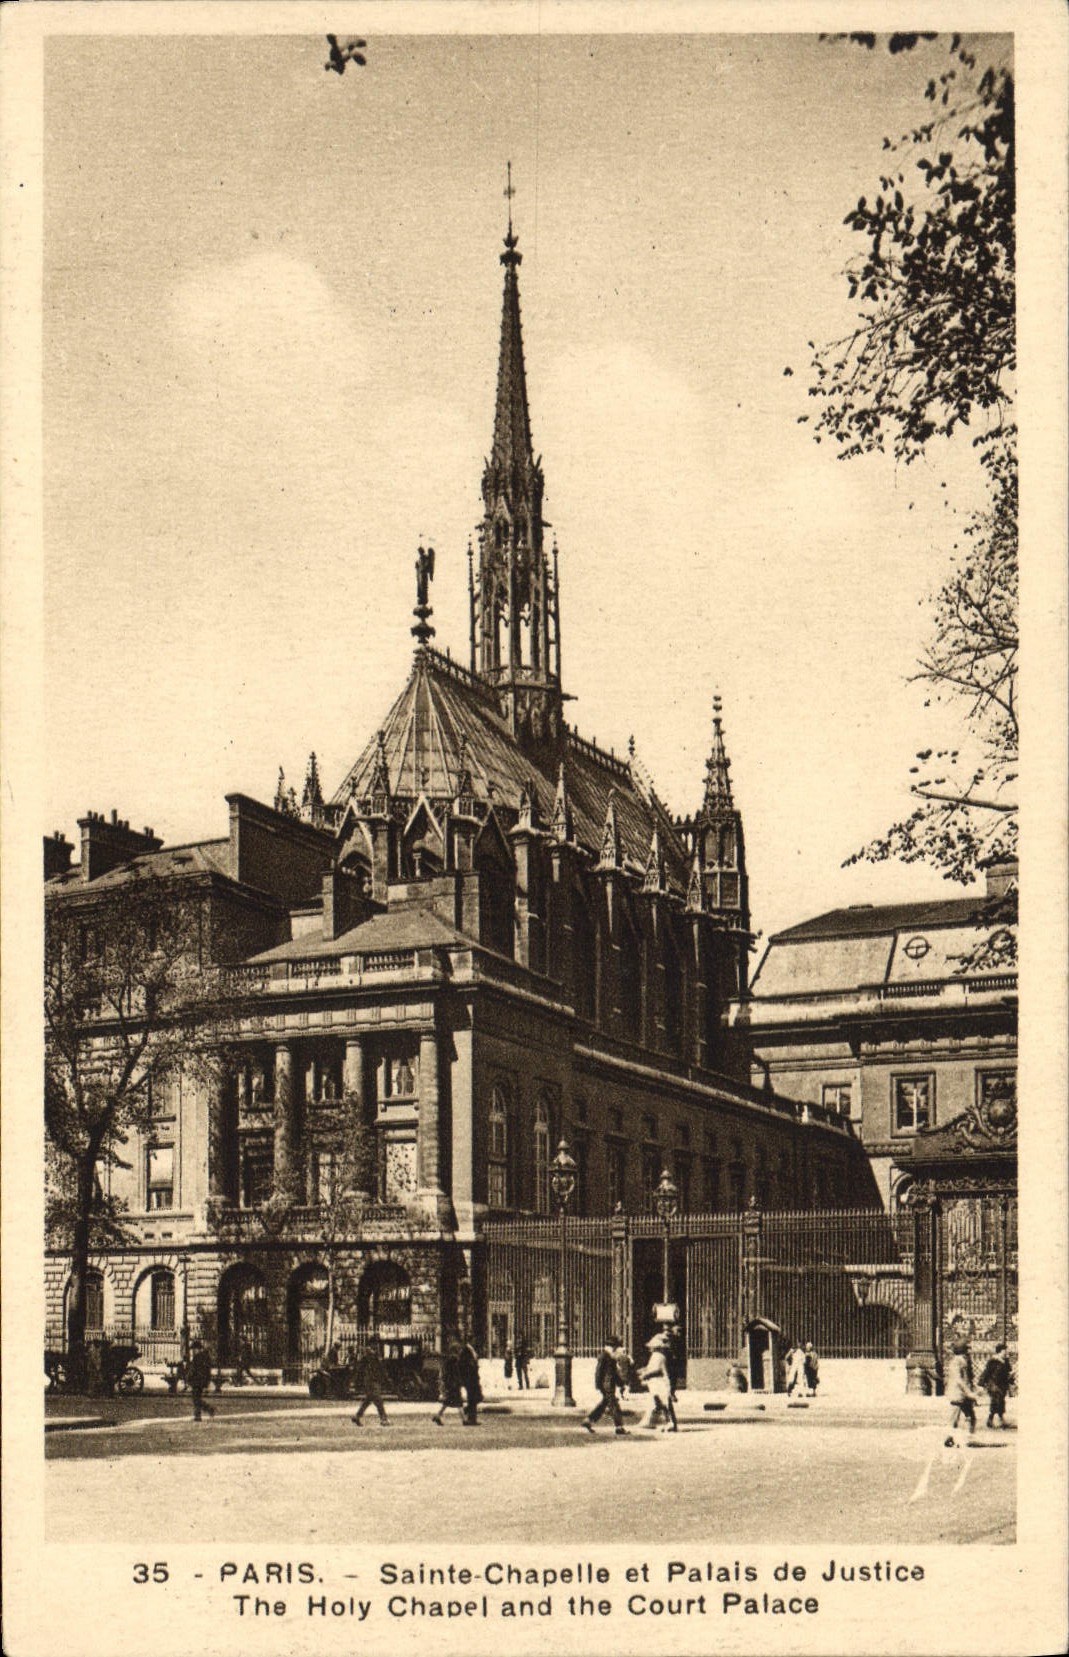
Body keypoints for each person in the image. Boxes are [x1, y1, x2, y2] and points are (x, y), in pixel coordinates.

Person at [582, 1334, 628, 1436]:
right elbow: (599, 1371)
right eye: (615, 1346)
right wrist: (598, 1384)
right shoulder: (604, 1356)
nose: (616, 1349)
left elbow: (614, 1373)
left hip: (607, 1384)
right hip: (606, 1385)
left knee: (604, 1404)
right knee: (613, 1405)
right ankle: (619, 1427)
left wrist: (620, 1383)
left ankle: (588, 1420)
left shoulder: (609, 1356)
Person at [638, 1333, 678, 1432]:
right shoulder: (658, 1355)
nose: (650, 1348)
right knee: (658, 1403)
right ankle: (651, 1422)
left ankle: (670, 1423)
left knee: (665, 1404)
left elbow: (657, 1370)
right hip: (656, 1383)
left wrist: (645, 1375)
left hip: (660, 1383)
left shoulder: (658, 1356)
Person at [351, 1342, 389, 1427]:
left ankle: (357, 1416)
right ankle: (384, 1419)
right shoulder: (375, 1358)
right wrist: (386, 1379)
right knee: (378, 1400)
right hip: (373, 1381)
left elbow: (359, 1370)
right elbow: (381, 1370)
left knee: (368, 1400)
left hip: (368, 1381)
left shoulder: (366, 1358)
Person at [945, 1340, 977, 1433]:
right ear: (962, 1350)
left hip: (963, 1394)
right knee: (954, 1418)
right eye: (967, 1349)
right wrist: (968, 1392)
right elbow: (958, 1379)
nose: (968, 1352)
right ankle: (949, 1437)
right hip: (958, 1393)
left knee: (970, 1417)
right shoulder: (956, 1362)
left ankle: (968, 1437)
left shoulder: (964, 1360)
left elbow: (968, 1378)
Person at [978, 1342, 1013, 1429]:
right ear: (999, 1352)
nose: (1006, 1353)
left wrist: (1011, 1379)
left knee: (1001, 1401)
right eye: (1004, 1352)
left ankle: (998, 1419)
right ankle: (992, 1420)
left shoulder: (1006, 1362)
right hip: (993, 1385)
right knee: (995, 1401)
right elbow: (986, 1373)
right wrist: (981, 1384)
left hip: (1002, 1385)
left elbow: (1008, 1373)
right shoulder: (993, 1362)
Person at [432, 1341, 466, 1426]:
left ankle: (438, 1416)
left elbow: (446, 1373)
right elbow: (455, 1373)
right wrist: (459, 1382)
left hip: (451, 1384)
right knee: (458, 1402)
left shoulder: (449, 1360)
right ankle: (464, 1420)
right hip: (454, 1384)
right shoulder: (454, 1360)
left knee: (448, 1402)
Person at [187, 1338, 216, 1422]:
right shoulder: (205, 1357)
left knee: (196, 1399)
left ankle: (207, 1410)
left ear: (197, 1349)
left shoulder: (197, 1357)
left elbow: (193, 1370)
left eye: (194, 1349)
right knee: (196, 1398)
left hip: (197, 1381)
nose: (193, 1351)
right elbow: (208, 1371)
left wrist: (189, 1378)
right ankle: (200, 1414)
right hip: (201, 1381)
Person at [457, 1337, 482, 1425]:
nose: (475, 1341)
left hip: (474, 1378)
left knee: (476, 1398)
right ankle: (471, 1418)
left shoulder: (471, 1350)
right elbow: (462, 1364)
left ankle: (468, 1413)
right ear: (470, 1340)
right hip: (469, 1378)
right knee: (472, 1398)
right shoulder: (465, 1351)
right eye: (473, 1340)